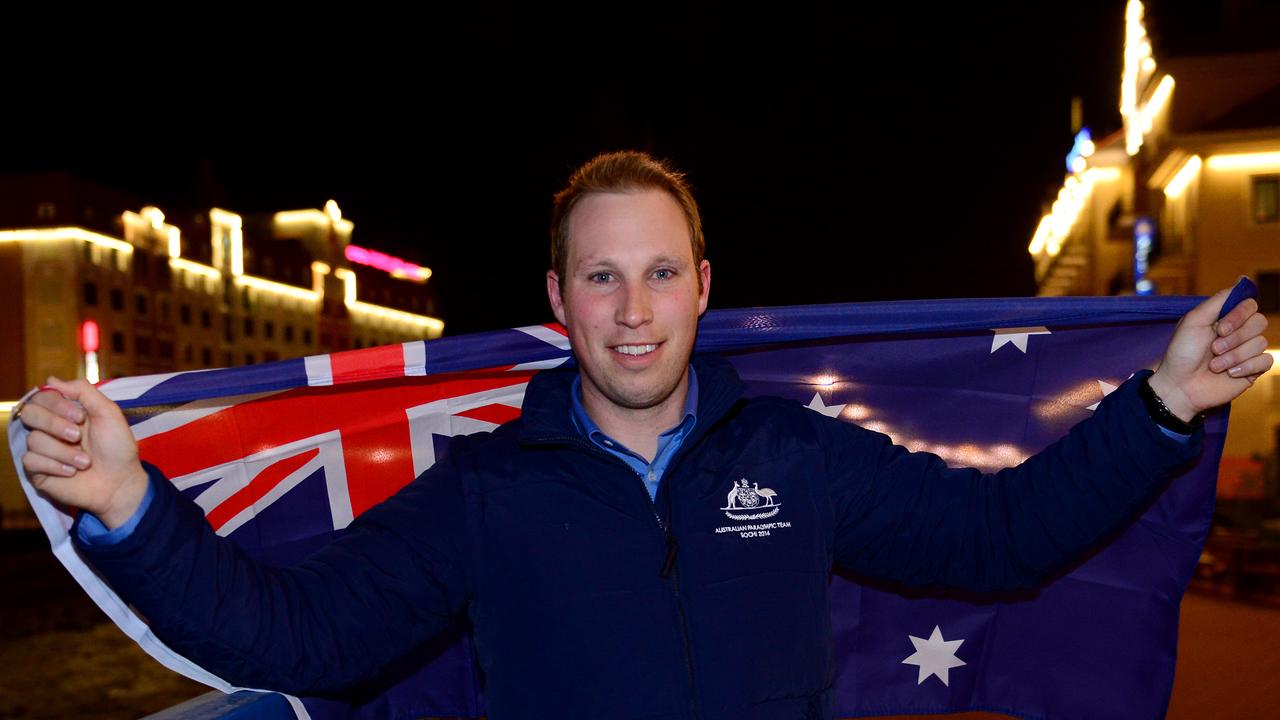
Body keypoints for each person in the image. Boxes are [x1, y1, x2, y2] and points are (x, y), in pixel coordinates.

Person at [16, 151, 1272, 719]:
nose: (632, 312)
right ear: (558, 302)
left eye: (658, 274)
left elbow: (1001, 540)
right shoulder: (486, 492)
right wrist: (131, 507)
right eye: (601, 279)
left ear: (703, 287)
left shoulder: (798, 453)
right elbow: (295, 636)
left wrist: (1160, 405)